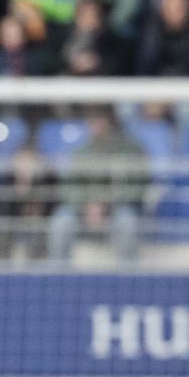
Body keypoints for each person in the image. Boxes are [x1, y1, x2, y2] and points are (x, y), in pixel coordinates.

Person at [47, 110, 149, 263]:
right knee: (61, 221)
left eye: (100, 121)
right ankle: (58, 276)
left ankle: (129, 277)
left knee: (127, 222)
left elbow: (137, 186)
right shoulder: (80, 153)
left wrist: (107, 204)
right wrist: (86, 204)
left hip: (117, 209)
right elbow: (69, 188)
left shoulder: (131, 150)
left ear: (110, 123)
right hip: (83, 210)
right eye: (92, 121)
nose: (96, 126)